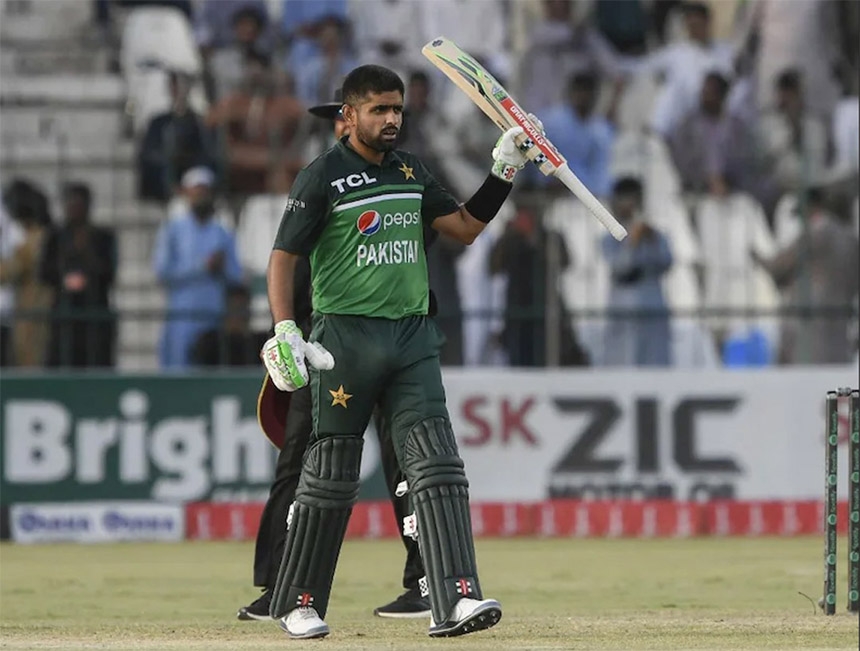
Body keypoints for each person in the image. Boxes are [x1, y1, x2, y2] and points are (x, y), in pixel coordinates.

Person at [263, 64, 536, 639]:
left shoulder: (411, 171)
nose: (391, 120)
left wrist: (504, 170)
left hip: (411, 337)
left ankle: (457, 598)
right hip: (344, 342)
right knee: (332, 474)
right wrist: (286, 329)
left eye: (397, 110)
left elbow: (462, 228)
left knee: (437, 465)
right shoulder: (322, 178)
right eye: (379, 110)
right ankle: (299, 602)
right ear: (350, 115)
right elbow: (282, 258)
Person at [237, 93, 430, 621]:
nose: (337, 132)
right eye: (335, 123)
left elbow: (406, 260)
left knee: (407, 460)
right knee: (301, 464)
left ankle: (427, 582)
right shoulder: (322, 187)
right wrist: (287, 335)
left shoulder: (394, 186)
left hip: (386, 342)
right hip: (319, 350)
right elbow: (288, 272)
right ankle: (280, 584)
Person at [152, 167, 243, 368]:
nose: (201, 197)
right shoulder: (173, 230)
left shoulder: (222, 232)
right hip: (181, 317)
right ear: (186, 194)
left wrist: (222, 267)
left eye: (205, 191)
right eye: (196, 192)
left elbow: (236, 275)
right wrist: (202, 267)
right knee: (179, 369)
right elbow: (162, 272)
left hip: (213, 316)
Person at [39, 183, 117, 368]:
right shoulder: (55, 236)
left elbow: (110, 272)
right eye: (70, 204)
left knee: (96, 361)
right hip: (64, 312)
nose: (74, 209)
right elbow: (44, 272)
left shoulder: (102, 237)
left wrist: (88, 277)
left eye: (79, 204)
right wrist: (65, 279)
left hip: (94, 310)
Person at [600, 178, 673, 367]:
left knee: (655, 367)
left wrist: (651, 240)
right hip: (624, 313)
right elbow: (620, 267)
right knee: (623, 367)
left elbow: (666, 262)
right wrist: (632, 241)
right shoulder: (608, 239)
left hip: (652, 309)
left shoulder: (655, 235)